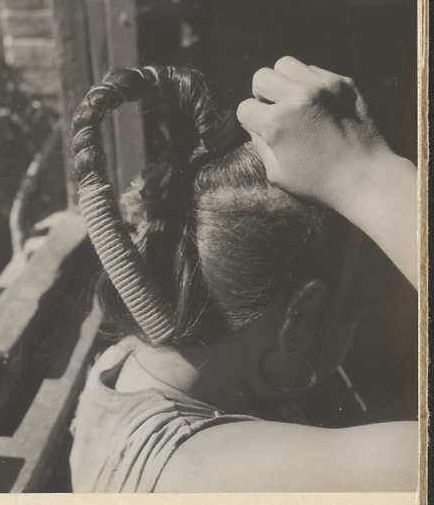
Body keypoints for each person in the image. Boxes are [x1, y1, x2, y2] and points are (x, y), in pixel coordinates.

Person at [68, 56, 418, 493]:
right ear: (300, 314)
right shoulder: (212, 474)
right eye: (356, 309)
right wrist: (369, 178)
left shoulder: (135, 359)